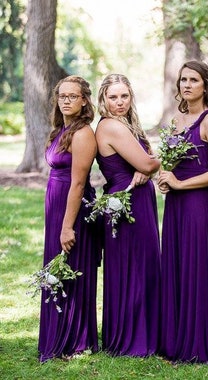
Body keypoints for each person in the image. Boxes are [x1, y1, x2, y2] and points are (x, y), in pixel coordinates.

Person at [157, 61, 208, 363]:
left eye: (194, 80)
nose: (187, 85)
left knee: (198, 268)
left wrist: (180, 183)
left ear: (206, 85)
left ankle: (199, 341)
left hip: (200, 205)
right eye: (183, 79)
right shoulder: (175, 120)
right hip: (175, 206)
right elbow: (167, 162)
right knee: (178, 266)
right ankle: (176, 337)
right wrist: (164, 177)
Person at [95, 74, 161, 357]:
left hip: (136, 198)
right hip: (127, 202)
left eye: (124, 96)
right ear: (103, 99)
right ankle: (132, 338)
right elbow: (148, 161)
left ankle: (146, 331)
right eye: (113, 97)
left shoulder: (127, 125)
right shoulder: (111, 126)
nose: (119, 102)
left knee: (141, 264)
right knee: (132, 267)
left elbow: (146, 162)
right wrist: (151, 165)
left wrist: (147, 167)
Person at [39, 75, 101, 362]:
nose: (66, 101)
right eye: (62, 96)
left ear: (84, 100)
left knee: (71, 268)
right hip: (57, 207)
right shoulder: (59, 131)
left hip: (72, 210)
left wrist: (66, 226)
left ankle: (75, 339)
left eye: (72, 96)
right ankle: (56, 335)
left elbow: (77, 184)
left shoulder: (83, 133)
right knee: (56, 269)